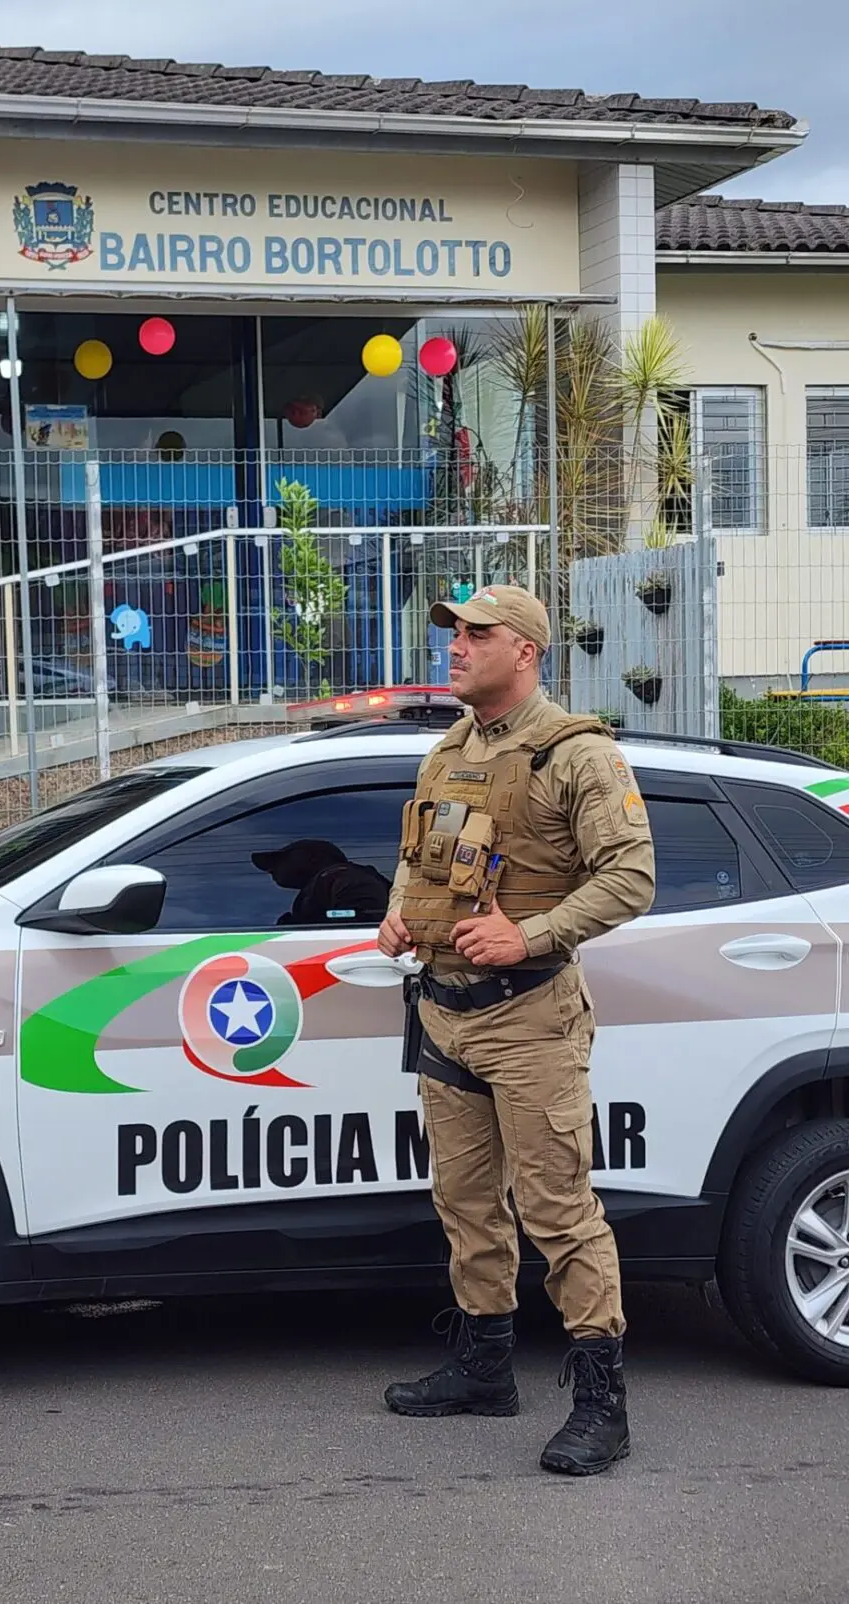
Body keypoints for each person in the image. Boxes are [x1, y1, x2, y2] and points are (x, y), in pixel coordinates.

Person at [378, 584, 655, 1477]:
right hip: (445, 1012)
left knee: (558, 1211)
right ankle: (485, 1366)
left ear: (525, 650)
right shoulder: (449, 750)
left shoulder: (577, 757)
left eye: (475, 634)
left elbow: (632, 877)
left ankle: (602, 1404)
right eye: (452, 633)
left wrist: (526, 935)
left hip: (531, 1016)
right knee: (464, 1202)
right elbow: (417, 861)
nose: (454, 647)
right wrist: (397, 919)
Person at [252, 840, 391, 927]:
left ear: (313, 858)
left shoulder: (345, 878)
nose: (271, 870)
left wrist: (302, 925)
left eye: (281, 860)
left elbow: (363, 921)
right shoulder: (324, 884)